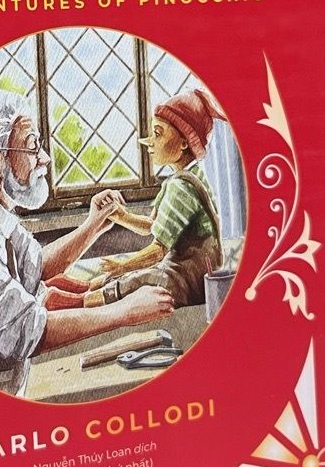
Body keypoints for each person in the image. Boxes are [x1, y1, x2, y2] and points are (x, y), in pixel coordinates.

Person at [0, 89, 174, 396]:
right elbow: (21, 329)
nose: (44, 158)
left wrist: (93, 225)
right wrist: (123, 312)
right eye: (33, 146)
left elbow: (36, 266)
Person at [91, 89, 225, 308]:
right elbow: (153, 226)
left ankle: (73, 302)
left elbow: (157, 251)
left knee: (127, 282)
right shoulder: (185, 178)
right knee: (117, 278)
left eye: (158, 133)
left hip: (186, 281)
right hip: (186, 273)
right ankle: (77, 294)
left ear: (184, 142)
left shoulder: (181, 187)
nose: (149, 142)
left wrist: (121, 266)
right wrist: (121, 216)